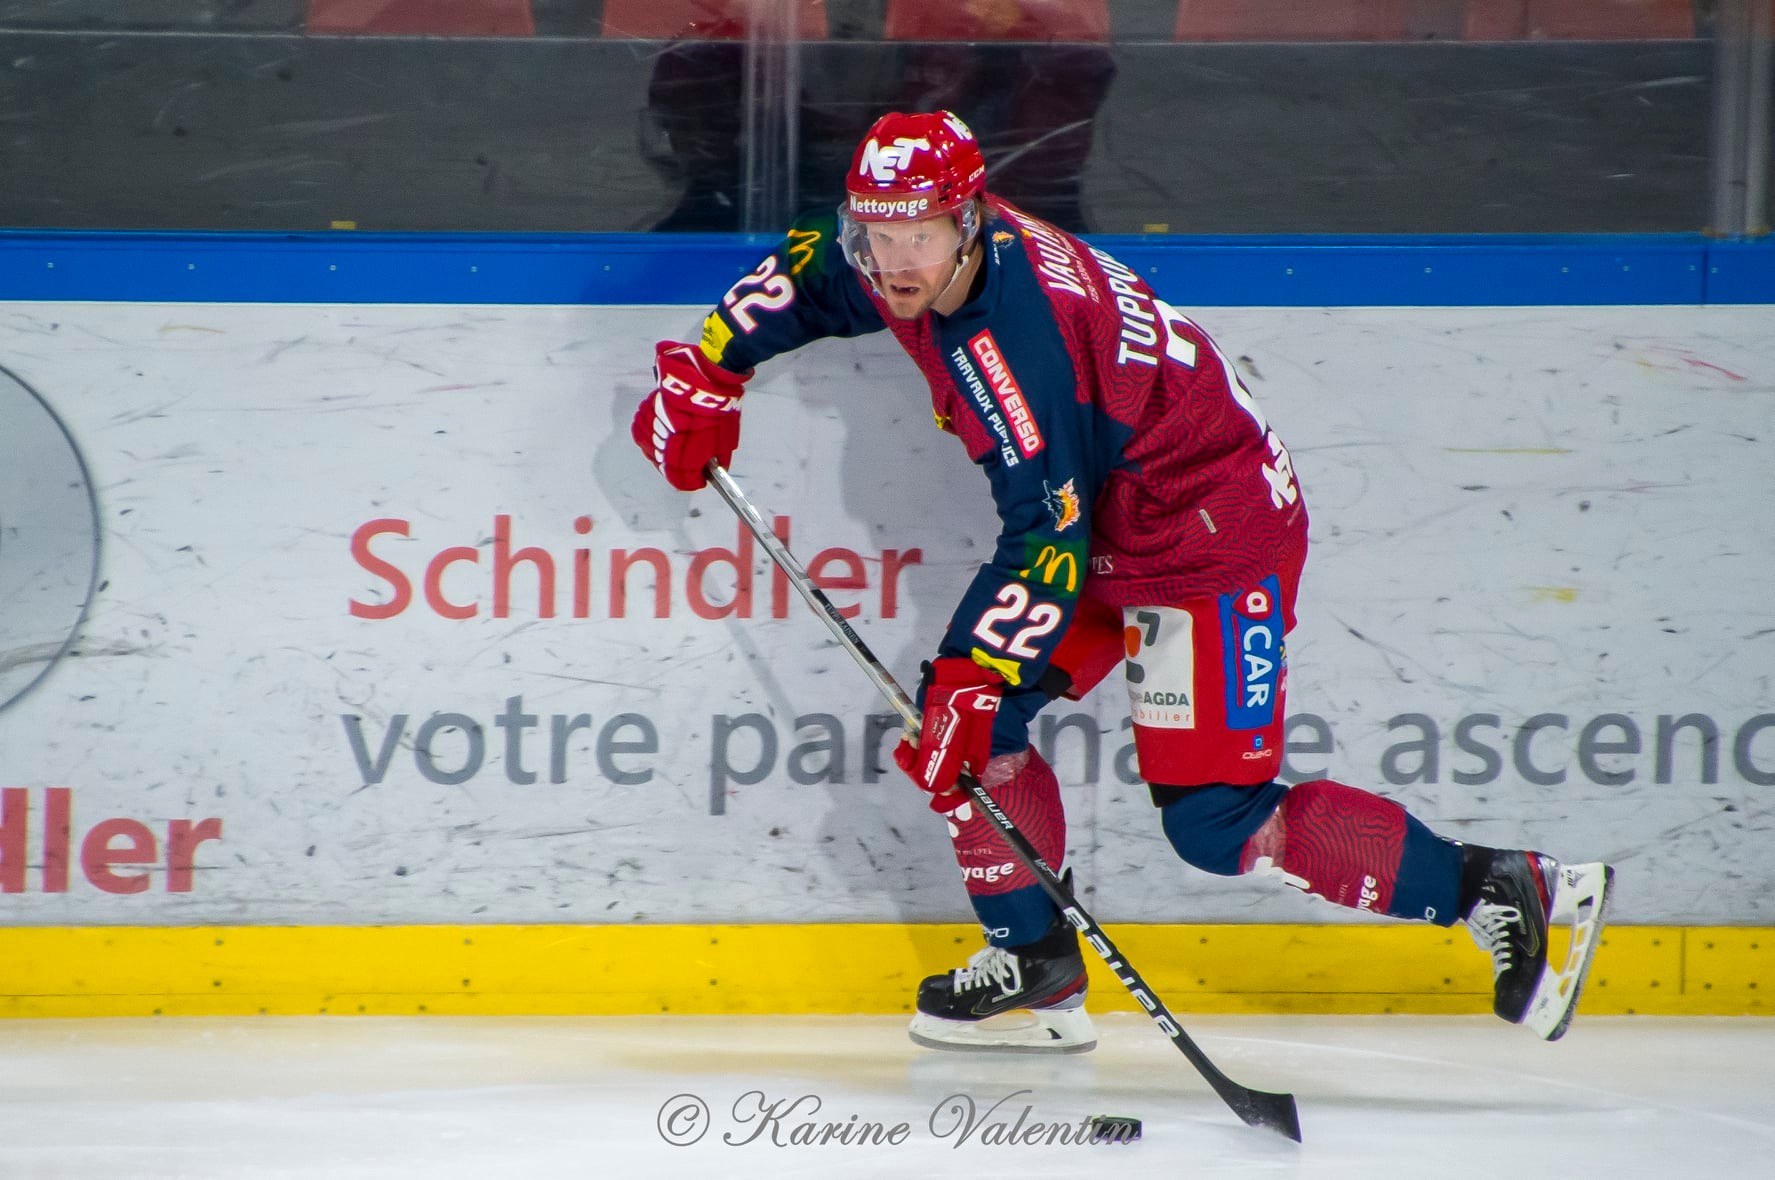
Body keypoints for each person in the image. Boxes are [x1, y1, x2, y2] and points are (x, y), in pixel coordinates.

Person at [629, 109, 1615, 1052]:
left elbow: (1042, 542)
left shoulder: (1016, 347)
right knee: (971, 732)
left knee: (1210, 816)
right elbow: (810, 272)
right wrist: (710, 364)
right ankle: (1037, 963)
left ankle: (1496, 885)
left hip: (1204, 536)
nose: (893, 262)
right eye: (876, 233)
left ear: (967, 221)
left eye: (918, 236)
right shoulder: (918, 263)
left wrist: (973, 674)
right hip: (1109, 514)